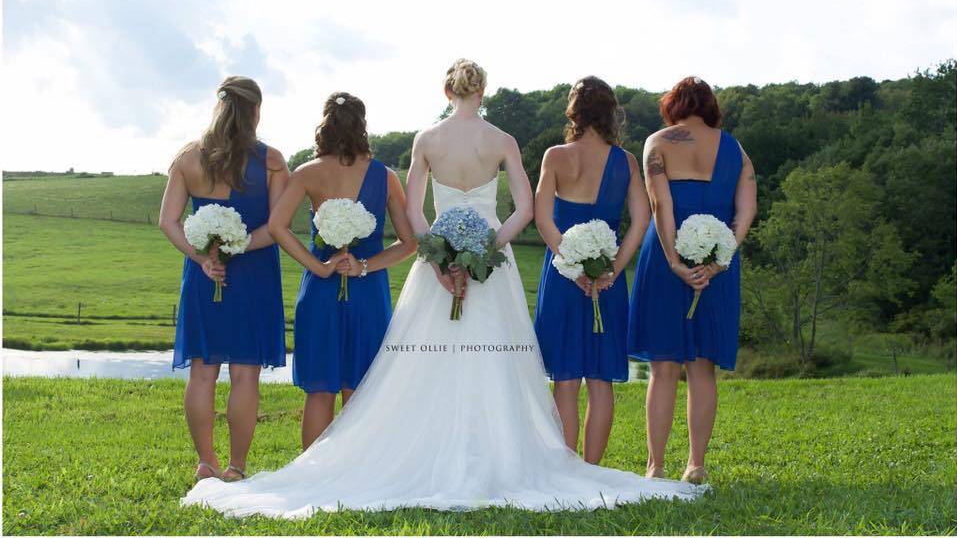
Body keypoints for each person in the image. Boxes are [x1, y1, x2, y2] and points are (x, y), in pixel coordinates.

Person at [182, 60, 704, 518]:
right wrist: (490, 247)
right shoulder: (502, 140)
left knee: (421, 364)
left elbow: (412, 211)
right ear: (482, 92)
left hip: (435, 272)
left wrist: (439, 257)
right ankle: (523, 458)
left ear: (447, 92)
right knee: (494, 363)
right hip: (488, 270)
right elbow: (523, 209)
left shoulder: (427, 140)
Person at [267, 91, 417, 450]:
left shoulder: (308, 173)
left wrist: (319, 267)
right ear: (362, 126)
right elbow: (409, 243)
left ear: (325, 126)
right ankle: (353, 475)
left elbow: (276, 226)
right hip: (368, 292)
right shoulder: (385, 176)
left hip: (320, 290)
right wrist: (364, 266)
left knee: (319, 389)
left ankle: (313, 474)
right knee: (360, 387)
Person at [627, 76, 757, 484]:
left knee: (663, 367)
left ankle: (656, 466)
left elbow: (660, 203)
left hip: (665, 260)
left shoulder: (658, 142)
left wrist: (673, 261)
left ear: (673, 106)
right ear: (710, 107)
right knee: (702, 368)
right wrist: (721, 260)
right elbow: (747, 211)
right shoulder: (736, 149)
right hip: (717, 264)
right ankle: (696, 464)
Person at [159, 76, 289, 483]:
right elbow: (277, 227)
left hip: (204, 276)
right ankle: (235, 467)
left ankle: (205, 463)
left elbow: (168, 221)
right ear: (256, 110)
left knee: (203, 371)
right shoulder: (271, 160)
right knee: (245, 373)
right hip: (253, 276)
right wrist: (239, 247)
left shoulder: (189, 159)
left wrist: (203, 259)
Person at [533, 76, 649, 464]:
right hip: (608, 282)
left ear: (574, 112)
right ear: (611, 112)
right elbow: (641, 219)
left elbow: (542, 218)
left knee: (564, 381)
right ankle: (592, 470)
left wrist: (569, 263)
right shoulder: (626, 162)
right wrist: (613, 269)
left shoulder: (555, 156)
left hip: (563, 280)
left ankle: (566, 469)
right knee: (600, 381)